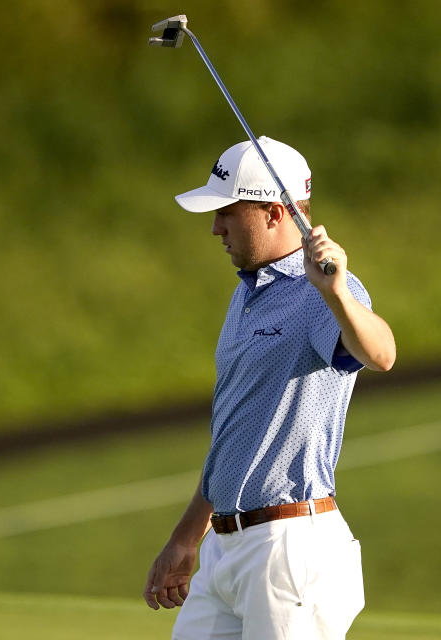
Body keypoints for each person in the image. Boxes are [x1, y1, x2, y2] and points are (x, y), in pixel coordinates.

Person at [143, 136, 396, 640]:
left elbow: (381, 353)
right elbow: (237, 439)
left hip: (288, 549)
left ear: (275, 213)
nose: (215, 227)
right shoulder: (247, 296)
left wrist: (337, 291)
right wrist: (186, 537)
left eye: (227, 213)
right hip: (225, 548)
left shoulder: (318, 295)